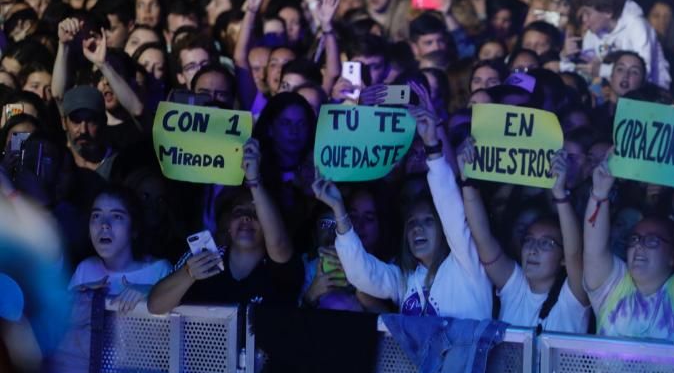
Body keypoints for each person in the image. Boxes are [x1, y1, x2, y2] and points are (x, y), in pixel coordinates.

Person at [317, 88, 492, 319]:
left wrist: (432, 146)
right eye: (411, 223)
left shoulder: (466, 264)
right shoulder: (404, 278)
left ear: (444, 229)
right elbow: (361, 274)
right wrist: (339, 208)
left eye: (428, 221)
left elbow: (450, 207)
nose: (417, 228)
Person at [147, 139, 301, 313]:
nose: (246, 218)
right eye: (238, 212)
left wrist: (254, 180)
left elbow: (279, 245)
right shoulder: (203, 258)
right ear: (227, 224)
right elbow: (155, 306)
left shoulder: (282, 265)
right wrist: (188, 273)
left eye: (255, 213)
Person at [456, 145, 590, 332]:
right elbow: (481, 236)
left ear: (562, 259)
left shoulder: (573, 297)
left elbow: (574, 252)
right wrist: (467, 179)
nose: (533, 249)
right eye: (529, 240)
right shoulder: (515, 285)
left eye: (546, 243)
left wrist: (560, 193)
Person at [583, 157, 674, 342]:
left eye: (652, 241)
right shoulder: (612, 287)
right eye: (635, 239)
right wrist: (599, 193)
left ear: (673, 256)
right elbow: (593, 250)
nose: (639, 245)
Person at [68, 186, 172, 311]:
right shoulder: (85, 269)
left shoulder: (159, 270)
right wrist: (74, 296)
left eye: (116, 216)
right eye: (96, 216)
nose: (104, 225)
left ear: (134, 228)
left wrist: (152, 292)